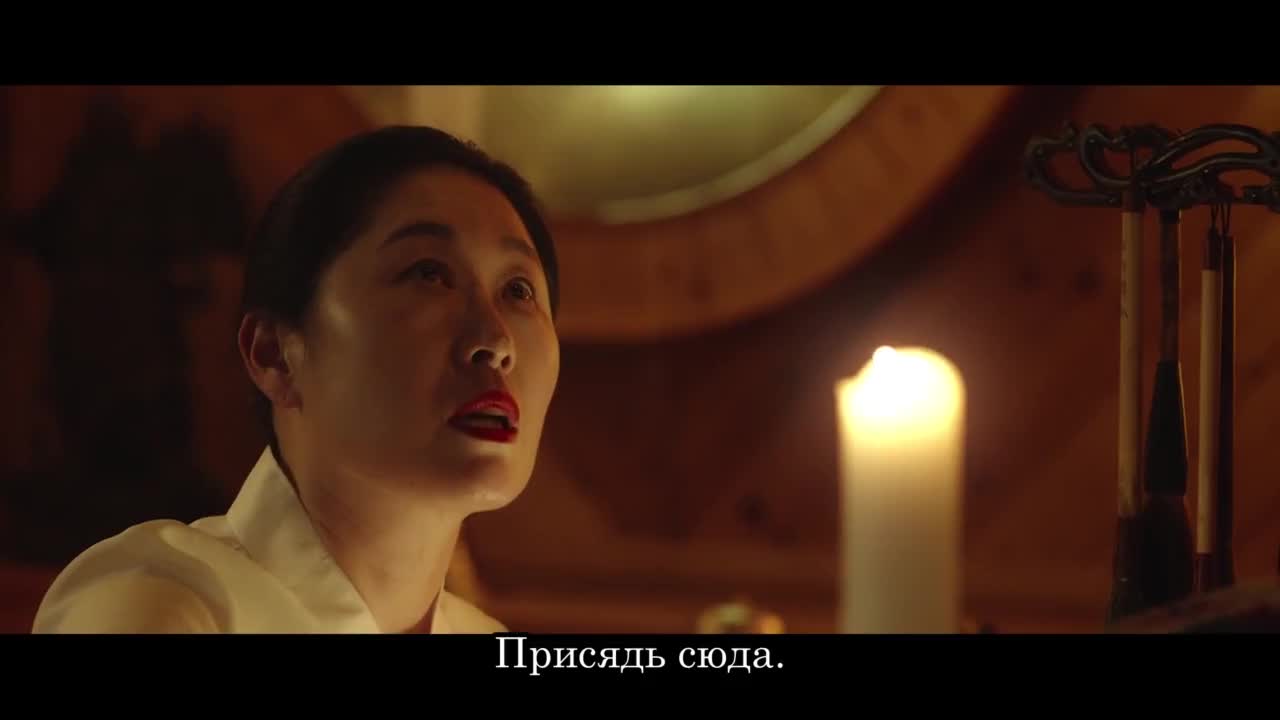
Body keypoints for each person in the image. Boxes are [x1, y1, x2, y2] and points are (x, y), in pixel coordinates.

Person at [31, 125, 562, 633]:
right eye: (429, 273)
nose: (495, 341)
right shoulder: (164, 604)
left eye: (518, 290)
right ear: (274, 355)